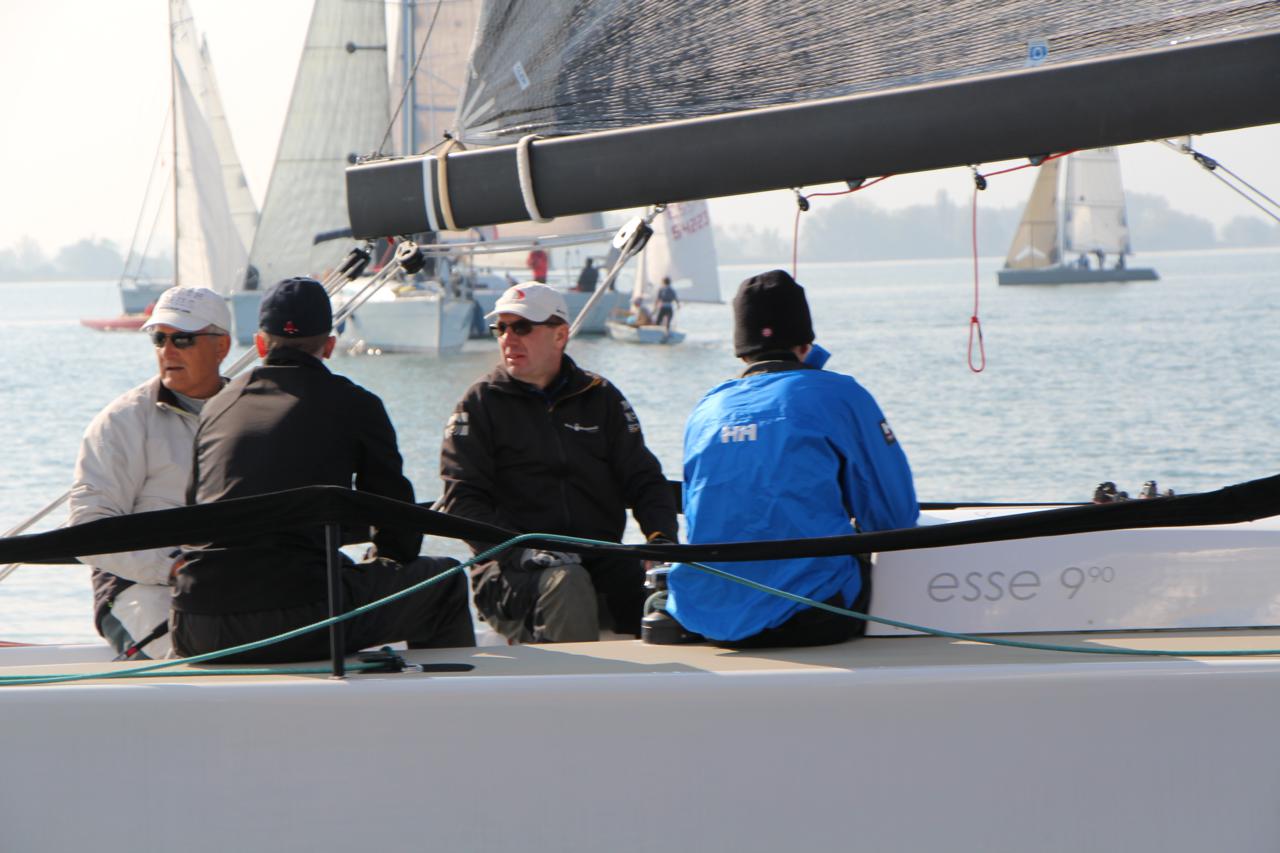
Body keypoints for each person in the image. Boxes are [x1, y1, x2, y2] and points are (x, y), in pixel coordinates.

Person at [172, 277, 474, 662]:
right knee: (444, 581)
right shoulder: (356, 404)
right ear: (329, 346)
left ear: (260, 344)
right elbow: (397, 523)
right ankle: (448, 699)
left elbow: (194, 516)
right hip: (300, 617)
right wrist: (381, 562)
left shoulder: (217, 407)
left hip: (195, 623)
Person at [664, 270, 918, 647]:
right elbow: (894, 517)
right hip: (812, 614)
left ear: (742, 349)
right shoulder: (839, 394)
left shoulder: (707, 407)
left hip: (708, 616)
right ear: (806, 343)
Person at [439, 282, 678, 643]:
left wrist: (661, 542)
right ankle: (579, 682)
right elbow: (461, 502)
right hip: (508, 571)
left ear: (560, 335)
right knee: (569, 582)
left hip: (599, 560)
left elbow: (644, 479)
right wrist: (521, 551)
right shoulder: (479, 404)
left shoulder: (601, 397)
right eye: (500, 328)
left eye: (522, 327)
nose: (508, 338)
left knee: (678, 593)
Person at [69, 286, 233, 659]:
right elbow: (87, 526)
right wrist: (172, 567)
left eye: (183, 339)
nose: (167, 351)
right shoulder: (121, 421)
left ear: (222, 346)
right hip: (136, 587)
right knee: (187, 656)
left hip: (230, 581)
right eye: (159, 338)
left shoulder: (248, 412)